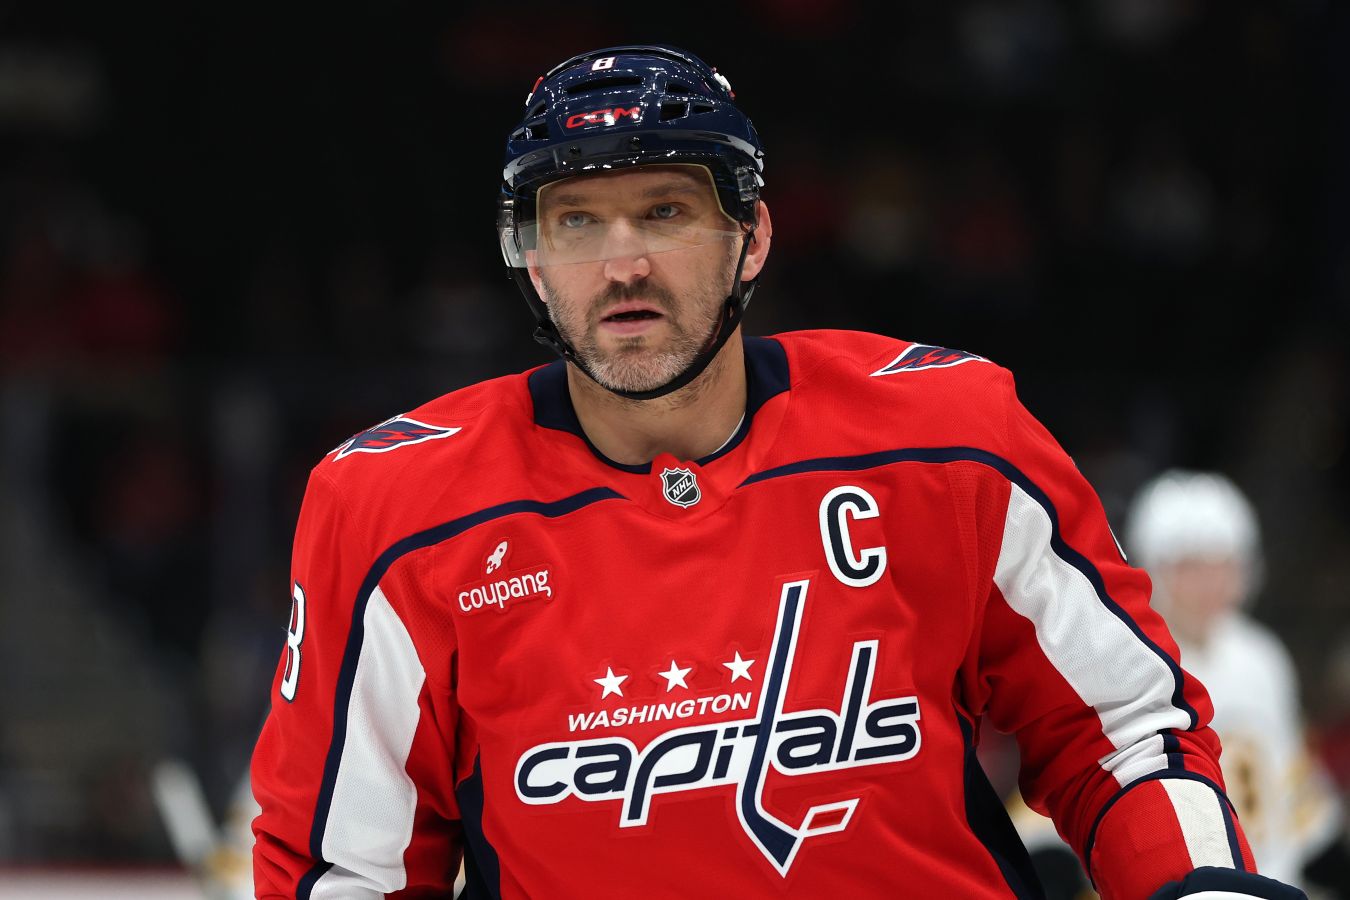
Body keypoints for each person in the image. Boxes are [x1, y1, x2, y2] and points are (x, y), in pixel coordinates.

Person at [250, 44, 1306, 899]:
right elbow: (345, 871)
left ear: (749, 237)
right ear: (527, 255)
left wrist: (1200, 890)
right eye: (575, 221)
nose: (622, 263)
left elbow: (1122, 731)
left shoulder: (950, 433)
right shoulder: (395, 510)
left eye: (665, 212)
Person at [1126, 471, 1349, 896]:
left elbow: (1293, 787)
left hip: (1271, 879)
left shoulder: (1262, 658)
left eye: (1224, 565)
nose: (1210, 584)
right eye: (1191, 567)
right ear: (1153, 568)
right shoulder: (1133, 660)